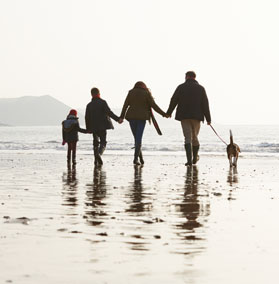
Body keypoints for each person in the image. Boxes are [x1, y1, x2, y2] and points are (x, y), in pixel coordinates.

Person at [166, 71, 211, 166]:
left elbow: (173, 100)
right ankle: (195, 157)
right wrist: (208, 119)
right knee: (195, 137)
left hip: (184, 116)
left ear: (186, 77)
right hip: (197, 117)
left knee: (187, 138)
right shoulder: (201, 88)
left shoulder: (181, 87)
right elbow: (205, 104)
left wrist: (169, 112)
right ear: (195, 77)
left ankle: (189, 160)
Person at [120, 81, 168, 165]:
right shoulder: (146, 93)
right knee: (138, 138)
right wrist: (164, 114)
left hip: (131, 118)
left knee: (136, 138)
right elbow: (154, 106)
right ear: (143, 86)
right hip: (141, 118)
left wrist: (122, 117)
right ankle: (135, 159)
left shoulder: (131, 92)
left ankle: (140, 158)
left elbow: (125, 105)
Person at [85, 87, 121, 166]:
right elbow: (109, 113)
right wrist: (118, 119)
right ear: (99, 93)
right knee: (103, 142)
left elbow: (87, 118)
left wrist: (88, 129)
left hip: (93, 127)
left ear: (91, 94)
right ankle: (99, 154)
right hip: (102, 126)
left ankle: (96, 160)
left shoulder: (89, 105)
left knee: (95, 143)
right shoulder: (103, 102)